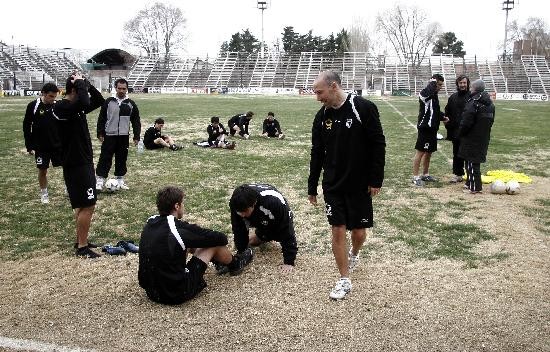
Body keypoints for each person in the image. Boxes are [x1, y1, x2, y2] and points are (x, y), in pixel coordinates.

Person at [308, 70, 386, 300]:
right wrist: (312, 186)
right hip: (332, 184)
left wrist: (376, 179)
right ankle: (344, 279)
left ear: (333, 87)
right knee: (338, 229)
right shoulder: (321, 117)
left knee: (359, 233)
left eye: (319, 92)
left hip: (359, 183)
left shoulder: (363, 107)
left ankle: (354, 252)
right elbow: (316, 153)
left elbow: (378, 144)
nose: (317, 97)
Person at [138, 185, 253, 305]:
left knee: (183, 243)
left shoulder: (151, 222)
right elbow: (220, 238)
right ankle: (235, 264)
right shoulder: (177, 228)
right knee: (213, 244)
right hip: (175, 294)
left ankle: (220, 262)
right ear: (177, 206)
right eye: (183, 203)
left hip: (151, 291)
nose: (184, 206)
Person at [53, 73, 104, 258]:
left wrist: (87, 84)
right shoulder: (63, 107)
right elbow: (83, 102)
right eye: (81, 89)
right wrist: (81, 84)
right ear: (74, 90)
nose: (86, 94)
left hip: (83, 161)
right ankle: (82, 247)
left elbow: (98, 100)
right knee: (88, 204)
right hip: (76, 163)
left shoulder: (75, 107)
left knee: (83, 204)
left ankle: (81, 240)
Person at [229, 184, 298, 274]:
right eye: (239, 212)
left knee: (279, 235)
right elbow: (238, 228)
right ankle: (258, 237)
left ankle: (266, 234)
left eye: (245, 211)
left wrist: (289, 261)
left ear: (254, 204)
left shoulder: (274, 202)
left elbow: (286, 229)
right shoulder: (236, 203)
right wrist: (242, 251)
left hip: (275, 216)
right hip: (259, 215)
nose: (242, 215)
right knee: (249, 241)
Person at [95, 78, 141, 191]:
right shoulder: (109, 102)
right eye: (119, 88)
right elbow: (102, 118)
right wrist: (100, 133)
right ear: (115, 88)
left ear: (126, 89)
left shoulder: (131, 104)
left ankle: (120, 180)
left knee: (121, 158)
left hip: (123, 136)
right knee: (105, 158)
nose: (121, 90)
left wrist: (136, 136)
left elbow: (136, 121)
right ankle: (100, 181)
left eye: (123, 88)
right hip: (109, 135)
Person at [23, 83, 62, 204]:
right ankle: (44, 193)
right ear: (43, 93)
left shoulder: (58, 106)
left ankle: (69, 189)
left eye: (55, 96)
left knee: (66, 167)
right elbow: (26, 125)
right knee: (43, 170)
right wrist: (29, 145)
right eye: (51, 96)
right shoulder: (33, 106)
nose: (53, 99)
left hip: (57, 144)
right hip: (41, 146)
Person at [457, 79, 495, 194]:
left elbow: (466, 121)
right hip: (483, 136)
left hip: (471, 137)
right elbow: (491, 120)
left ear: (474, 88)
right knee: (472, 162)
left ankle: (475, 187)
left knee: (471, 162)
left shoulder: (474, 102)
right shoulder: (490, 103)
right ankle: (470, 182)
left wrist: (460, 133)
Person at [412, 74, 449, 186]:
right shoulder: (425, 93)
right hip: (425, 128)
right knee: (420, 152)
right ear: (432, 83)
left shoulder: (434, 95)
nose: (440, 87)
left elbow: (435, 111)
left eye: (441, 85)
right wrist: (433, 83)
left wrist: (443, 117)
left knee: (429, 153)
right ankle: (415, 176)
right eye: (438, 84)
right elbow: (426, 96)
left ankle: (425, 174)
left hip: (433, 128)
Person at [444, 75, 470, 183]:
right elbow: (447, 112)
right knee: (457, 153)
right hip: (455, 131)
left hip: (468, 131)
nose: (462, 85)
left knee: (468, 154)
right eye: (460, 83)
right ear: (457, 84)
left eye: (464, 83)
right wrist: (448, 123)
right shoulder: (453, 97)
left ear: (468, 84)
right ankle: (457, 174)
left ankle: (470, 175)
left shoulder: (472, 97)